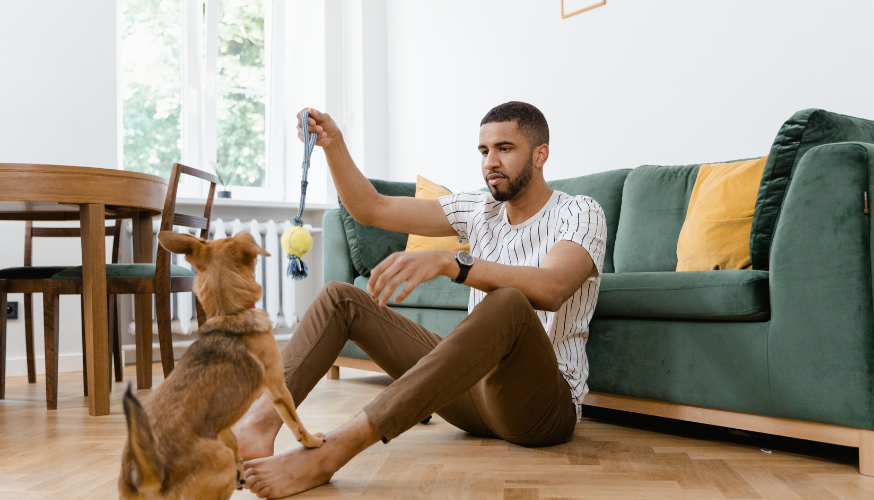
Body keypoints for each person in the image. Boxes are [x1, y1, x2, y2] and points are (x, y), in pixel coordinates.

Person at [235, 101, 607, 499]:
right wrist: (334, 144)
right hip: (472, 401)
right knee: (340, 299)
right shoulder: (478, 209)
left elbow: (551, 288)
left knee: (509, 304)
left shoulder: (580, 212)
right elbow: (370, 208)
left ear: (540, 155)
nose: (490, 162)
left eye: (504, 148)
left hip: (541, 410)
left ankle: (333, 451)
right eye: (483, 151)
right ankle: (257, 427)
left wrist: (453, 262)